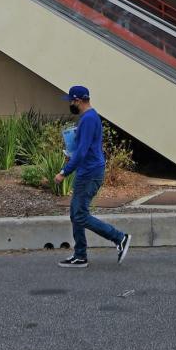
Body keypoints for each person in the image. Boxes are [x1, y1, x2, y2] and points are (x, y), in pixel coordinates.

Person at [53, 85, 131, 269]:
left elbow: (81, 153)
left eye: (71, 101)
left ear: (78, 100)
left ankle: (120, 237)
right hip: (88, 171)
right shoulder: (90, 117)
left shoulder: (88, 119)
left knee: (79, 215)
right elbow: (83, 149)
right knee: (76, 213)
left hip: (89, 173)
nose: (70, 104)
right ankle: (80, 255)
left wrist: (64, 172)